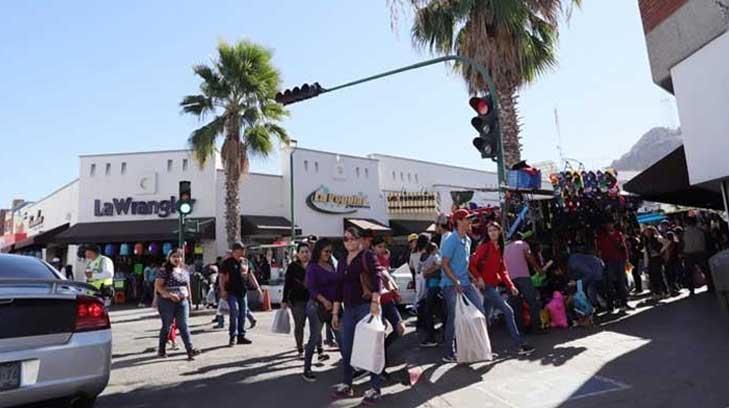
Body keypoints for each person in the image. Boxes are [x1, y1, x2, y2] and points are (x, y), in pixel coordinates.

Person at [331, 228, 383, 404]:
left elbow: (377, 279)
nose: (349, 242)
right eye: (346, 239)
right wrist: (335, 312)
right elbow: (338, 287)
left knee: (370, 348)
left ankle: (374, 388)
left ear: (360, 240)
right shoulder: (342, 261)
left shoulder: (367, 256)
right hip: (349, 309)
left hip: (365, 307)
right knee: (346, 348)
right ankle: (347, 384)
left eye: (353, 238)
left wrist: (375, 302)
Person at [470, 222, 535, 356]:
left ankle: (483, 349)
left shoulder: (499, 247)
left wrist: (511, 285)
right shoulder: (485, 246)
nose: (492, 233)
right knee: (508, 311)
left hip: (492, 285)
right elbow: (471, 264)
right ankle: (520, 344)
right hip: (486, 286)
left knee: (486, 318)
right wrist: (479, 278)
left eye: (494, 230)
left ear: (499, 231)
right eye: (489, 230)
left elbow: (502, 269)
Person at [440, 209, 488, 363]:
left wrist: (473, 278)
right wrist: (456, 281)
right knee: (454, 318)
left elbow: (465, 265)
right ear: (459, 222)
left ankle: (479, 348)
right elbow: (444, 264)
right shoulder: (451, 240)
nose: (469, 222)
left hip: (465, 283)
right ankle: (449, 352)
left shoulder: (467, 240)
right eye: (467, 219)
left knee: (480, 312)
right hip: (450, 285)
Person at [302, 238, 340, 382]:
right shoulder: (312, 267)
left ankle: (350, 369)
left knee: (342, 339)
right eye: (326, 251)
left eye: (330, 252)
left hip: (333, 308)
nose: (329, 254)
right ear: (319, 251)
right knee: (314, 338)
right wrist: (324, 301)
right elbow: (311, 289)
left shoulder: (331, 264)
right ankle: (307, 369)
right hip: (317, 307)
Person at [283, 242, 327, 360]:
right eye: (302, 252)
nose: (304, 254)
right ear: (297, 254)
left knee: (316, 326)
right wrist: (284, 300)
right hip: (297, 301)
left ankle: (320, 351)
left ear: (310, 253)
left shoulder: (316, 265)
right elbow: (287, 284)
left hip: (313, 300)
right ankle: (300, 350)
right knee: (299, 326)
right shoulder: (293, 267)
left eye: (306, 252)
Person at [154, 248, 200, 360]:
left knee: (183, 325)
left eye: (178, 256)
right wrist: (169, 295)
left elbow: (187, 285)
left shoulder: (184, 270)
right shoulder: (164, 270)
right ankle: (161, 349)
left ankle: (190, 350)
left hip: (182, 301)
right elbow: (158, 286)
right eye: (174, 256)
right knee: (167, 326)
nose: (176, 259)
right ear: (169, 258)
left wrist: (190, 300)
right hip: (167, 302)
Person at [219, 242, 259, 346]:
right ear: (234, 251)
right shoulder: (227, 262)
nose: (242, 252)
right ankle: (233, 336)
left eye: (243, 250)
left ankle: (241, 336)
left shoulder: (245, 262)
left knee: (243, 314)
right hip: (231, 291)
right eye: (240, 250)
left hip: (243, 291)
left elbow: (250, 275)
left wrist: (257, 287)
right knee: (234, 312)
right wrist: (223, 290)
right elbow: (222, 277)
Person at [503, 233, 544, 334]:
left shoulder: (504, 248)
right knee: (533, 302)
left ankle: (520, 330)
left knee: (516, 305)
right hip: (523, 277)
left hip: (510, 280)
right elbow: (530, 258)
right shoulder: (523, 244)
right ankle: (536, 328)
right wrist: (539, 270)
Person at [596, 222, 631, 311]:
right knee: (609, 284)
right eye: (608, 224)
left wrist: (626, 260)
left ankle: (624, 302)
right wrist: (601, 262)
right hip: (608, 262)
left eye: (611, 224)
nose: (609, 225)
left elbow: (624, 247)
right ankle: (611, 304)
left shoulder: (618, 234)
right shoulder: (601, 237)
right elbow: (599, 251)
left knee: (621, 283)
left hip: (619, 260)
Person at [683, 216, 714, 295]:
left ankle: (691, 290)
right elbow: (708, 242)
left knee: (689, 273)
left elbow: (682, 243)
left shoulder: (684, 232)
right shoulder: (701, 231)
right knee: (706, 271)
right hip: (701, 253)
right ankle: (711, 286)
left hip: (689, 254)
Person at [419, 242, 443, 347]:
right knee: (438, 312)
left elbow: (423, 271)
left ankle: (431, 337)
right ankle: (438, 335)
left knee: (429, 311)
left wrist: (427, 272)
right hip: (435, 286)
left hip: (432, 286)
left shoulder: (424, 258)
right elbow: (439, 266)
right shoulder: (435, 257)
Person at [643, 226, 667, 300]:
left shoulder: (657, 238)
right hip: (651, 260)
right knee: (652, 277)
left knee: (659, 275)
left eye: (648, 231)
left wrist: (661, 251)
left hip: (656, 259)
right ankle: (657, 292)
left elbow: (667, 242)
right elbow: (646, 252)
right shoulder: (647, 241)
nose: (646, 233)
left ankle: (664, 291)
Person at [662, 231, 682, 297]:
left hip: (671, 261)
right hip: (673, 261)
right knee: (673, 275)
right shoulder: (674, 243)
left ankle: (673, 288)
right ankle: (673, 288)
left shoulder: (668, 244)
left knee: (671, 276)